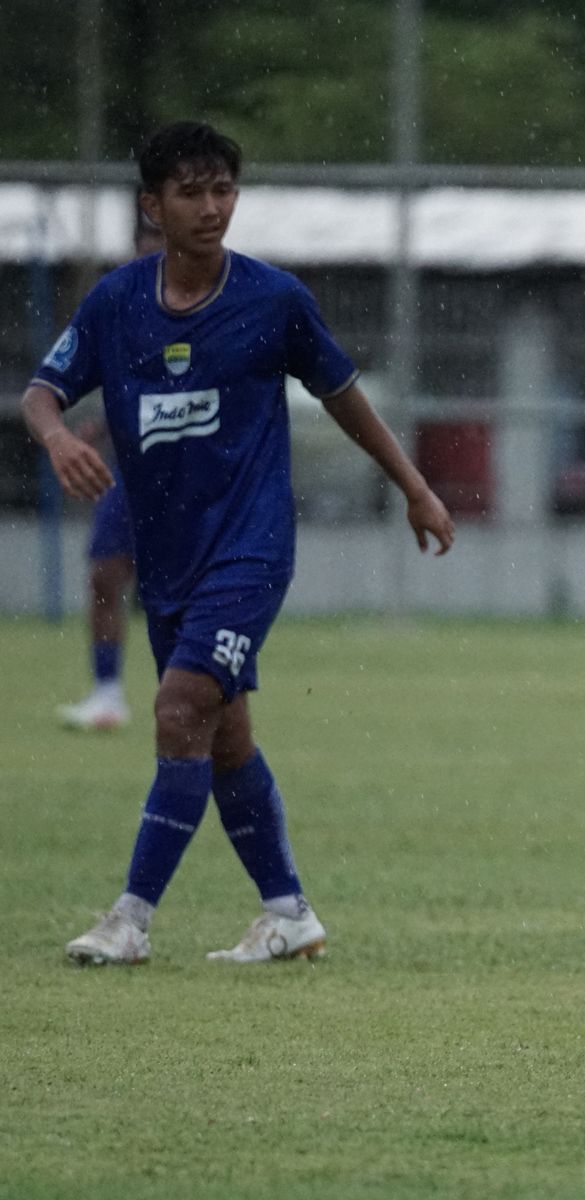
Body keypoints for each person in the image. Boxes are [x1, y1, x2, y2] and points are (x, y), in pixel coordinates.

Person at [22, 121, 456, 966]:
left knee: (180, 708)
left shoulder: (273, 300)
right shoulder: (117, 302)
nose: (212, 207)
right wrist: (57, 437)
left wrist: (415, 486)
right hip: (169, 556)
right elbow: (42, 391)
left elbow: (344, 396)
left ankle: (130, 919)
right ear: (152, 206)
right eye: (191, 191)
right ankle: (289, 912)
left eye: (224, 189)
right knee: (223, 735)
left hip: (251, 549)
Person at [57, 213, 166, 733]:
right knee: (105, 575)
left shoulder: (208, 311)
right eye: (141, 252)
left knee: (181, 593)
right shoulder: (121, 309)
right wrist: (97, 428)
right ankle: (107, 694)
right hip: (130, 474)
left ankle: (197, 699)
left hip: (188, 477)